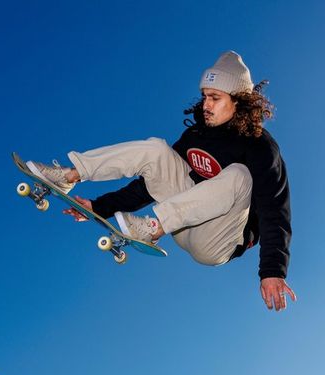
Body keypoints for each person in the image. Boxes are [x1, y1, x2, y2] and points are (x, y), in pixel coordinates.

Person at [27, 51, 295, 312]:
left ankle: (153, 227)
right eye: (204, 97)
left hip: (216, 241)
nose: (206, 105)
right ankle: (70, 175)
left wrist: (272, 271)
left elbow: (275, 212)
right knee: (156, 151)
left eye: (215, 98)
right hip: (182, 224)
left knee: (240, 174)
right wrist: (99, 207)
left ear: (239, 102)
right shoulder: (196, 136)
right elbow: (152, 183)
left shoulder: (261, 148)